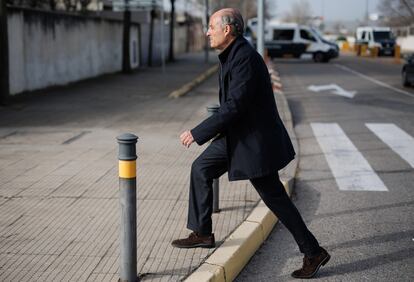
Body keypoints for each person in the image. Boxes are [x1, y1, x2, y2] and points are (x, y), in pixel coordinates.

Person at [171, 8, 330, 279]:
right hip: (238, 136)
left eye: (211, 27)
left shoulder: (245, 58)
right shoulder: (232, 55)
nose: (207, 32)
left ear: (228, 30)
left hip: (255, 142)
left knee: (275, 199)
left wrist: (198, 132)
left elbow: (234, 106)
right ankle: (202, 232)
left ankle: (313, 251)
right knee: (202, 169)